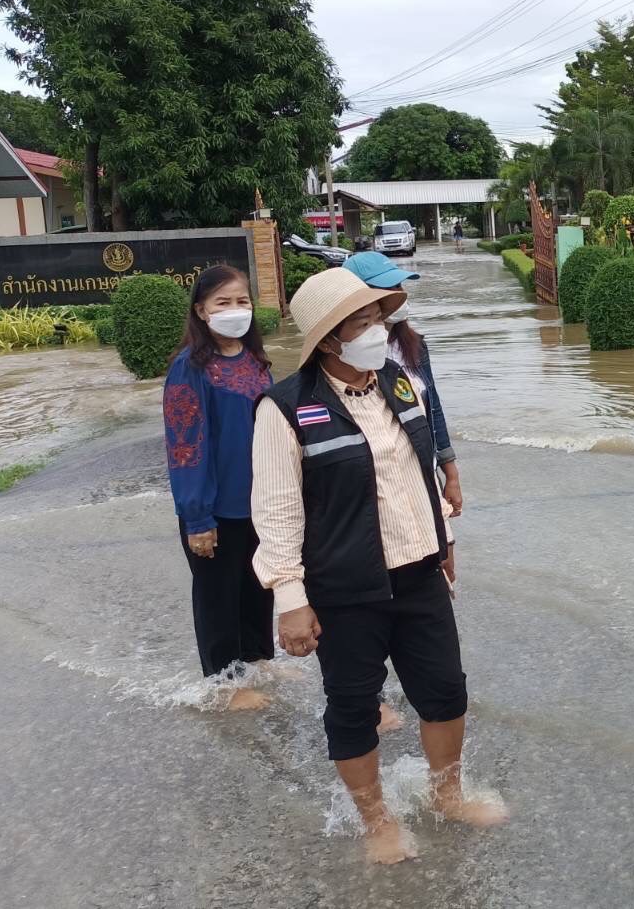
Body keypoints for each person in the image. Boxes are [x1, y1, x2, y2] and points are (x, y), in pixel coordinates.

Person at [251, 267, 506, 865]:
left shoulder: (397, 383)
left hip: (418, 572)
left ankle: (448, 794)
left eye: (379, 319)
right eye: (363, 324)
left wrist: (443, 542)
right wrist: (291, 599)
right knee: (354, 708)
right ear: (328, 338)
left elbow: (415, 473)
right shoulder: (285, 408)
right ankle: (376, 821)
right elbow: (277, 510)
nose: (379, 332)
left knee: (445, 691)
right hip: (344, 588)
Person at [163, 264, 275, 709]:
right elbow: (185, 445)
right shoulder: (189, 369)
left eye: (242, 301)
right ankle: (225, 683)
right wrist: (197, 516)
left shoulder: (255, 361)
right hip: (213, 507)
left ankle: (257, 659)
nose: (235, 310)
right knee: (217, 596)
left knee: (256, 586)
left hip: (258, 502)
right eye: (222, 303)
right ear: (201, 311)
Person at [341, 252, 463, 519]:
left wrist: (450, 474)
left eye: (399, 286)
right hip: (374, 487)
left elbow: (434, 410)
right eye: (389, 288)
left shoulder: (414, 346)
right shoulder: (345, 357)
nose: (399, 294)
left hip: (422, 471)